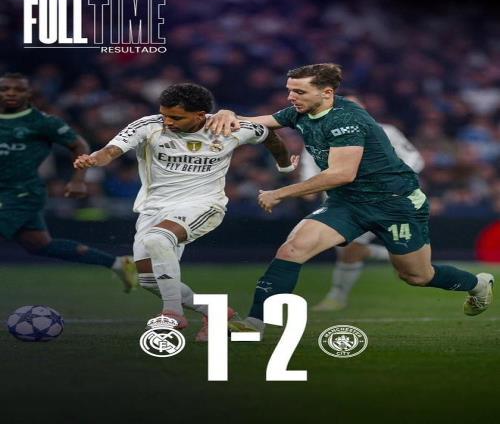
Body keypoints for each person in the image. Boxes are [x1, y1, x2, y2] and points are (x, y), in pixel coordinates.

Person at [207, 63, 494, 336]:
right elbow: (260, 122)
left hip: (395, 204)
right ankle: (254, 323)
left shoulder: (346, 120)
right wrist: (228, 114)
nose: (291, 97)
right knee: (292, 250)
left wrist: (280, 193)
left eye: (299, 91)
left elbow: (342, 174)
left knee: (417, 276)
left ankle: (477, 284)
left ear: (326, 93)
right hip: (347, 203)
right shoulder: (302, 110)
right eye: (290, 90)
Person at [74, 82, 295, 341]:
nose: (168, 121)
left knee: (158, 239)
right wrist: (93, 159)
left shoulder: (228, 128)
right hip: (154, 208)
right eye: (164, 114)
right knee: (149, 280)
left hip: (203, 204)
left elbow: (269, 135)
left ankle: (172, 313)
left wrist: (285, 167)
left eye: (176, 117)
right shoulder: (148, 126)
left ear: (200, 115)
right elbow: (111, 150)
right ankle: (214, 312)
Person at [0, 73, 137, 292]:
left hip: (21, 194)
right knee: (40, 244)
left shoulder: (43, 122)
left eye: (18, 89)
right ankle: (118, 264)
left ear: (28, 94)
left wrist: (78, 179)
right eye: (5, 89)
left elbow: (79, 145)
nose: (11, 94)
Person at [305, 94, 425, 311]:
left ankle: (337, 297)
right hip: (340, 202)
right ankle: (393, 256)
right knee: (347, 249)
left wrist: (395, 180)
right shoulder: (317, 135)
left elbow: (415, 158)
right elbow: (309, 167)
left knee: (350, 248)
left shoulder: (385, 131)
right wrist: (307, 186)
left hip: (383, 200)